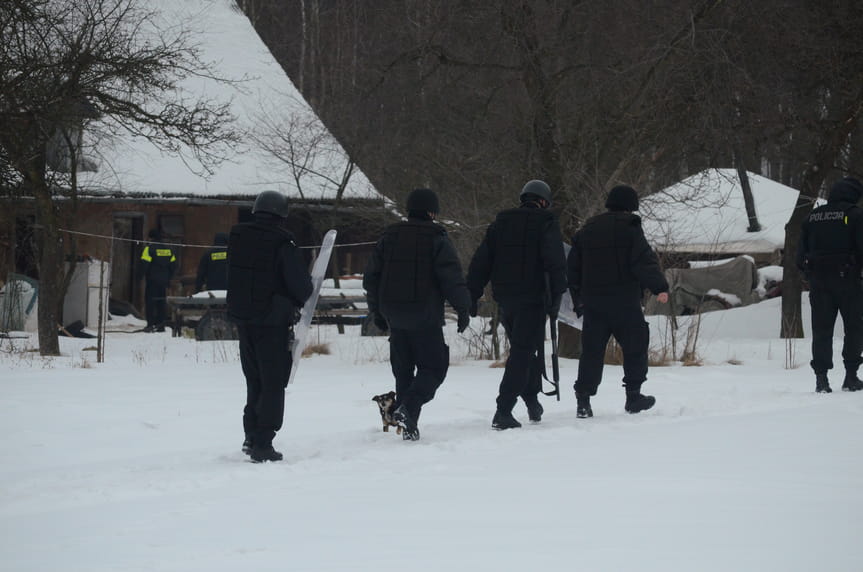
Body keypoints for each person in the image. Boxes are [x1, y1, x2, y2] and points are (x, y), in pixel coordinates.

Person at [363, 188, 471, 441]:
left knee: (403, 371)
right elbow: (451, 278)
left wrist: (376, 311)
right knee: (433, 368)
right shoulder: (437, 238)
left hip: (395, 316)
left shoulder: (389, 238)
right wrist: (463, 308)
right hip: (424, 316)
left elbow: (372, 278)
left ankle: (408, 426)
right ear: (432, 212)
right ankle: (407, 410)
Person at [467, 180, 567, 430]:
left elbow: (481, 261)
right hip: (533, 299)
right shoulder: (546, 222)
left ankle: (532, 400)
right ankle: (503, 409)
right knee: (523, 352)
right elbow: (555, 262)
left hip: (506, 299)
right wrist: (557, 298)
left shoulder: (500, 224)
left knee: (525, 350)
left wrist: (472, 293)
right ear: (543, 201)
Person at [567, 185, 669, 418]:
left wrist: (578, 298)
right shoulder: (631, 228)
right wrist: (659, 287)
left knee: (591, 352)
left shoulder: (587, 229)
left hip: (594, 303)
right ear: (631, 206)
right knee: (635, 347)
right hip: (625, 302)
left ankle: (583, 400)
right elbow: (643, 261)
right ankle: (633, 396)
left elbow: (572, 268)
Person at [226, 190, 312, 462]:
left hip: (244, 320)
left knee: (254, 380)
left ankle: (250, 435)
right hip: (272, 323)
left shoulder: (238, 238)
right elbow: (299, 286)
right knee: (274, 382)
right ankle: (263, 442)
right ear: (281, 215)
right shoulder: (282, 242)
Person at [796, 176, 863, 394]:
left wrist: (810, 273)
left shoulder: (812, 217)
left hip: (819, 283)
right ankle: (851, 376)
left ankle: (821, 380)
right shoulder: (855, 215)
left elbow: (799, 256)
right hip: (849, 282)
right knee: (854, 328)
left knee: (822, 331)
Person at [138, 228, 176, 333]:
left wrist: (139, 277)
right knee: (161, 302)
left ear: (151, 238)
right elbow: (173, 266)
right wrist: (169, 277)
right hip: (164, 282)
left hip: (152, 281)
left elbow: (144, 264)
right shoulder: (169, 250)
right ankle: (161, 325)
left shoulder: (149, 249)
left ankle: (150, 325)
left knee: (150, 302)